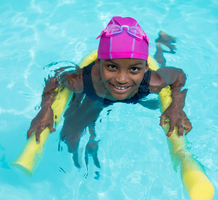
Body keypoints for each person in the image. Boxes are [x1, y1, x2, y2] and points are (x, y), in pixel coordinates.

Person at [27, 16, 192, 169]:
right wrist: (45, 109)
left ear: (145, 68)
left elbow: (178, 76)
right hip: (97, 94)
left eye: (134, 69)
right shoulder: (82, 80)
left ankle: (161, 44)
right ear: (99, 63)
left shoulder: (152, 81)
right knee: (69, 135)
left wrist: (177, 105)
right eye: (112, 66)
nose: (122, 78)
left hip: (137, 92)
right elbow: (56, 77)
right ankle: (91, 139)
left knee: (160, 73)